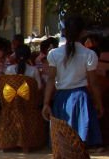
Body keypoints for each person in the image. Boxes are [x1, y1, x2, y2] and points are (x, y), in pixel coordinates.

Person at [42, 15, 103, 146]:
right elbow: (93, 82)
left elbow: (51, 80)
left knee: (63, 142)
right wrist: (99, 103)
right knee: (81, 142)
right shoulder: (89, 54)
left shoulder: (54, 54)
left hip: (61, 99)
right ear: (83, 33)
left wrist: (46, 103)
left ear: (64, 31)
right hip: (81, 99)